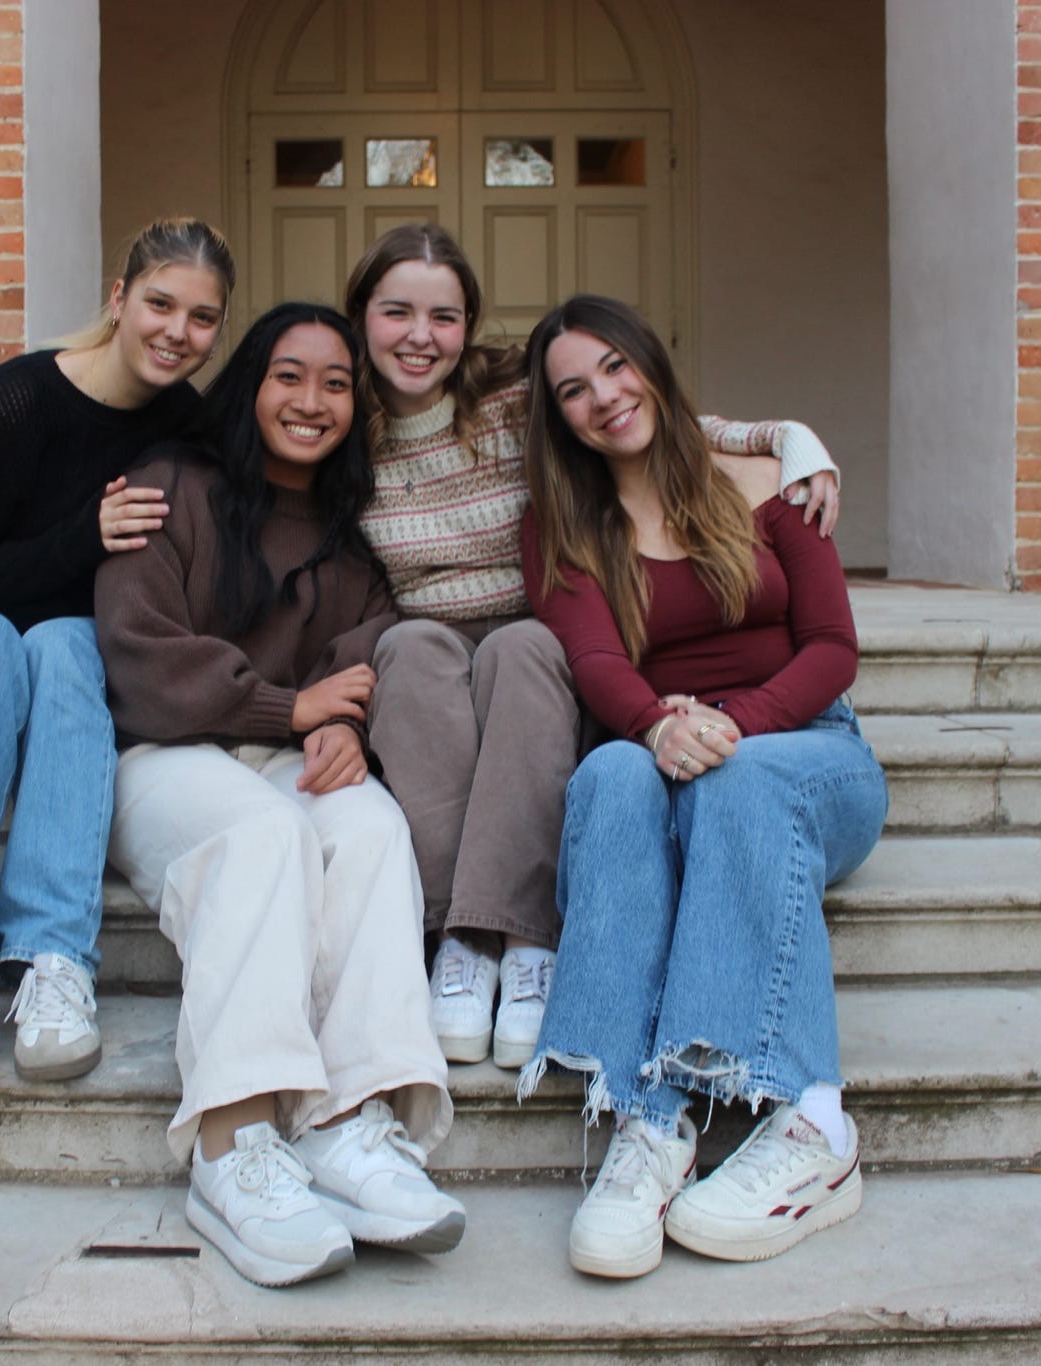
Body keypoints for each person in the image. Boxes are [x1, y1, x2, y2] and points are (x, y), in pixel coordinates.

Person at [344, 224, 844, 1070]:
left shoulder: (517, 393)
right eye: (397, 313)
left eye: (445, 315)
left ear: (470, 325)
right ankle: (460, 944)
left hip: (541, 625)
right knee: (415, 650)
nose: (421, 337)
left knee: (528, 649)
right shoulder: (342, 429)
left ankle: (529, 938)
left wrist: (786, 439)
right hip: (434, 626)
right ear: (361, 316)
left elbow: (644, 416)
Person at [515, 295, 888, 1279]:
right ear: (557, 418)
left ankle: (812, 1124)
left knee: (742, 783)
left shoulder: (769, 478)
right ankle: (650, 1125)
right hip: (669, 753)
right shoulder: (560, 526)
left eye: (611, 367)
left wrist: (732, 726)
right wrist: (655, 724)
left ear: (647, 360)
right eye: (571, 390)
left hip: (807, 751)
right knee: (606, 773)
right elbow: (595, 660)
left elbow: (831, 649)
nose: (601, 397)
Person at [95, 302, 461, 1289]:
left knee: (369, 826)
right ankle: (233, 1144)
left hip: (274, 749)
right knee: (262, 834)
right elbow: (137, 653)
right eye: (288, 375)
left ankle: (351, 1127)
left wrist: (341, 720)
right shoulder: (173, 488)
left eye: (336, 382)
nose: (310, 400)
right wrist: (288, 705)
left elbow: (360, 651)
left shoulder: (347, 534)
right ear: (251, 383)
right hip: (164, 756)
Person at [0, 217, 234, 1085]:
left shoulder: (186, 432)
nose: (177, 333)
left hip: (69, 671)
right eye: (160, 303)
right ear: (119, 301)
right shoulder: (17, 401)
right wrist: (83, 539)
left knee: (69, 641)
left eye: (202, 318)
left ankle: (53, 962)